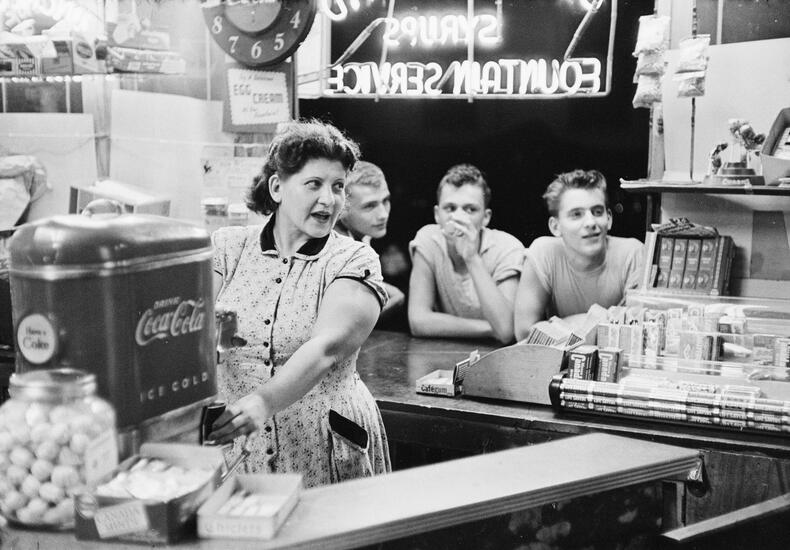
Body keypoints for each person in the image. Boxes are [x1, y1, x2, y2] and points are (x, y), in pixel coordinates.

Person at [208, 120, 391, 487]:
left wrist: (263, 401)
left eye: (338, 186)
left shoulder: (354, 259)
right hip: (242, 448)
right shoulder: (228, 248)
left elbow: (326, 348)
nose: (330, 199)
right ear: (277, 187)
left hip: (325, 445)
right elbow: (194, 330)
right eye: (314, 184)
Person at [514, 169, 645, 340]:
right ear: (555, 226)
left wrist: (562, 325)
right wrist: (591, 320)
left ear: (609, 219)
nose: (590, 222)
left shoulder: (632, 254)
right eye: (576, 214)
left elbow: (637, 332)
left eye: (597, 212)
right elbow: (524, 332)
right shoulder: (543, 253)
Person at [408, 164, 524, 344]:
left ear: (486, 217)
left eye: (470, 209)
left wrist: (471, 258)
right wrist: (490, 328)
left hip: (496, 354)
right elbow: (418, 321)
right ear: (437, 214)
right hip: (446, 350)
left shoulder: (508, 248)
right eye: (450, 208)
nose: (459, 218)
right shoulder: (428, 240)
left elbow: (506, 331)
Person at [335, 160, 406, 320]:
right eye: (369, 206)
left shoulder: (361, 234)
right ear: (341, 209)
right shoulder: (340, 248)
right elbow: (345, 321)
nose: (383, 214)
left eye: (385, 201)